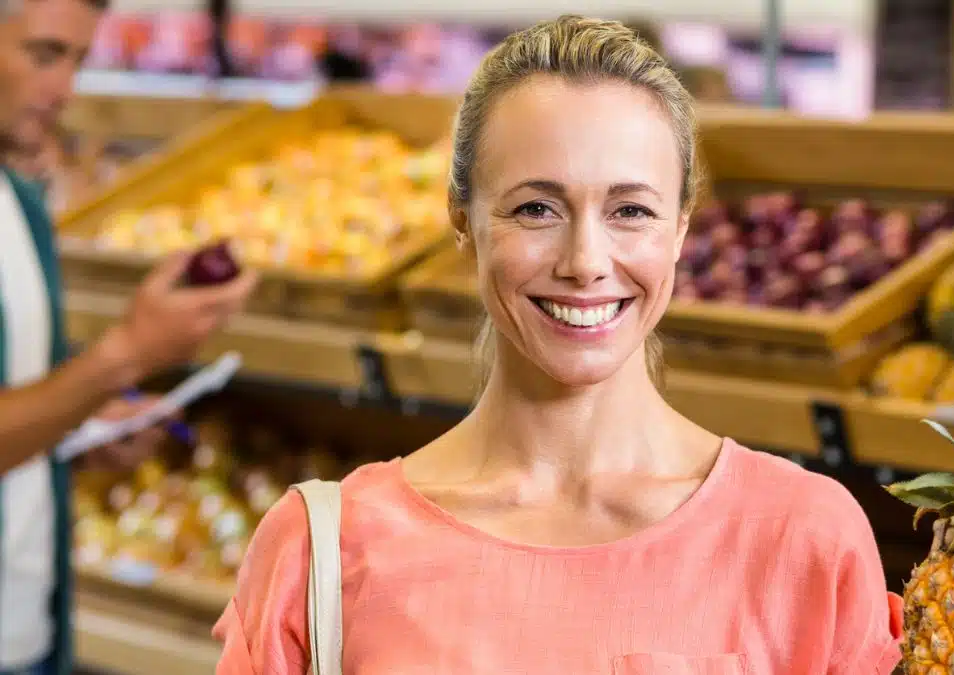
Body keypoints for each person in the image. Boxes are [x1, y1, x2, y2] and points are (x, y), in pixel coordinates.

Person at [216, 16, 902, 675]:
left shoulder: (804, 539)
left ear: (681, 231)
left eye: (630, 210)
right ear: (464, 223)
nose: (585, 260)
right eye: (535, 208)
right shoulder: (322, 551)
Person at [0, 0, 258, 672]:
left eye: (79, 60)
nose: (65, 89)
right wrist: (128, 354)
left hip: (29, 634)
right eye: (45, 53)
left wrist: (80, 426)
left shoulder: (16, 201)